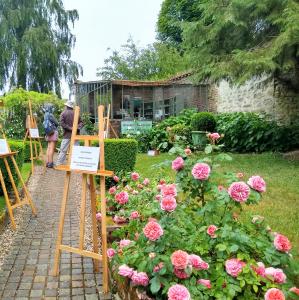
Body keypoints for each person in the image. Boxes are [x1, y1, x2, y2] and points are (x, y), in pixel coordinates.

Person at [56, 99, 83, 166]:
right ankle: (77, 164)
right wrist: (76, 128)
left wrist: (69, 128)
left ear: (66, 106)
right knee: (76, 149)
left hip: (67, 135)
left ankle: (59, 163)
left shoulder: (63, 113)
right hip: (76, 135)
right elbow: (82, 123)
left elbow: (62, 123)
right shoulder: (76, 113)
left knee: (63, 150)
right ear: (71, 107)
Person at [43, 104, 59, 168]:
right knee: (52, 148)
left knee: (48, 148)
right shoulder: (50, 115)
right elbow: (57, 123)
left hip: (48, 133)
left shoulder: (45, 115)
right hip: (53, 132)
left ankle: (47, 162)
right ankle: (51, 163)